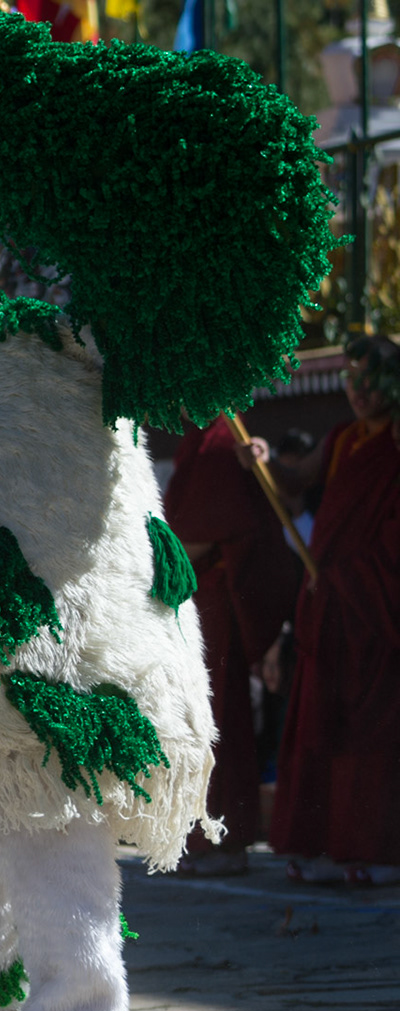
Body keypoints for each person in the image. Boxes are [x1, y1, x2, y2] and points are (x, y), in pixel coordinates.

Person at [267, 334, 400, 885]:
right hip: (333, 608)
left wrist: (356, 580)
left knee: (372, 731)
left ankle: (379, 851)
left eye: (371, 382)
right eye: (352, 380)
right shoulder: (344, 438)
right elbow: (300, 479)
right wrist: (266, 459)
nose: (359, 393)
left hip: (376, 609)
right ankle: (322, 845)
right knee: (321, 724)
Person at [163, 417, 302, 875]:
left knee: (217, 718)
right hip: (195, 601)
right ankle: (197, 838)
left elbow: (207, 527)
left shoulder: (223, 437)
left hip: (212, 607)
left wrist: (151, 569)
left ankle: (224, 842)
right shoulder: (196, 439)